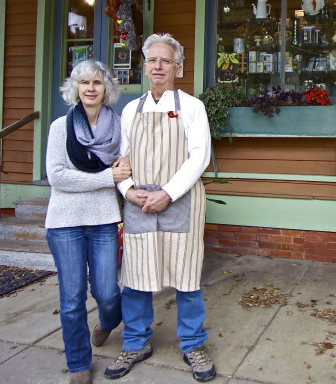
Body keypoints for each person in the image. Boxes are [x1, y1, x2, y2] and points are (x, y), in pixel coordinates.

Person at [104, 34, 216, 382]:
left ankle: (193, 344)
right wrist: (128, 190)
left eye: (165, 61)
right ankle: (136, 342)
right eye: (152, 60)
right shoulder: (130, 109)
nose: (158, 66)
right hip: (139, 203)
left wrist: (167, 193)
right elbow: (120, 159)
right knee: (136, 278)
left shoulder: (192, 107)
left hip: (180, 201)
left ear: (177, 68)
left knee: (186, 276)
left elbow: (199, 157)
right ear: (144, 66)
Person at [45, 60, 131, 384]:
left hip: (104, 219)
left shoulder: (119, 127)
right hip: (65, 221)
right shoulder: (59, 128)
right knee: (72, 297)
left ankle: (108, 321)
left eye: (97, 82)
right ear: (76, 89)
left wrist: (126, 166)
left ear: (106, 88)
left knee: (108, 292)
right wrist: (107, 176)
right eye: (84, 83)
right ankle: (79, 362)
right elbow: (58, 177)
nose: (91, 88)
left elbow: (129, 160)